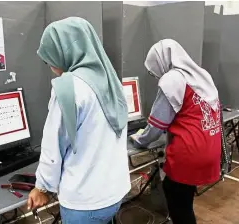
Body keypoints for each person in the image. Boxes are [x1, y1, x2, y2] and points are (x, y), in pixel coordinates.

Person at [26, 17, 131, 224]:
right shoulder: (110, 80)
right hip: (116, 191)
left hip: (85, 201)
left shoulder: (68, 87)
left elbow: (53, 148)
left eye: (50, 58)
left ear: (63, 52)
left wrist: (42, 187)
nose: (50, 65)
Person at [131, 39, 221, 224]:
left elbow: (156, 127)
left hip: (189, 152)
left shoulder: (172, 79)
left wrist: (138, 140)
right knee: (183, 198)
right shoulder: (201, 75)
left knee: (177, 203)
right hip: (209, 146)